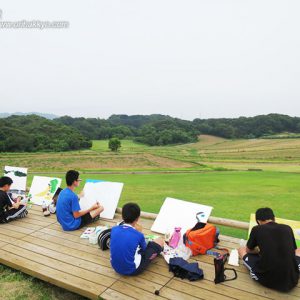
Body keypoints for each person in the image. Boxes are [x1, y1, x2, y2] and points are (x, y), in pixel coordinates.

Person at [238, 207, 300, 292]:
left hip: (267, 279)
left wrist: (259, 250)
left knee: (241, 249)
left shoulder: (257, 229)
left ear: (258, 221)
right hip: (292, 279)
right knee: (298, 250)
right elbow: (293, 250)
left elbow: (248, 250)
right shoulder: (287, 228)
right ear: (273, 218)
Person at [110, 202, 164, 275]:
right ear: (138, 218)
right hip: (133, 270)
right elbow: (144, 250)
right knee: (159, 241)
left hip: (115, 267)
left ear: (122, 217)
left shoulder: (114, 229)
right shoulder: (138, 234)